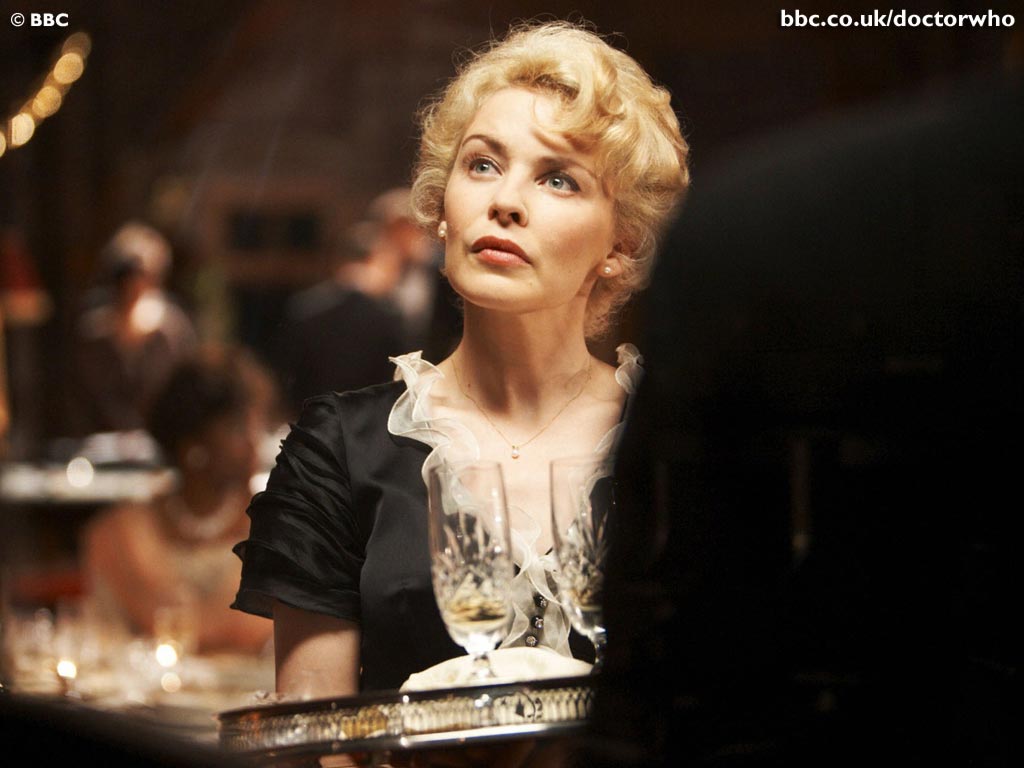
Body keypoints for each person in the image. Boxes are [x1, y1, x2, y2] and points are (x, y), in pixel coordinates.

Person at [232, 20, 689, 697]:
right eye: (482, 165)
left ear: (619, 245)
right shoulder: (341, 450)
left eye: (558, 179)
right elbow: (315, 735)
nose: (504, 202)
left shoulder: (678, 440)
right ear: (442, 211)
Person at [81, 344, 278, 654]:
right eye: (237, 427)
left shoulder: (279, 530)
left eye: (257, 425)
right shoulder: (120, 536)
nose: (254, 441)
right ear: (192, 447)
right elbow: (104, 647)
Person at [70, 220, 197, 436]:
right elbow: (88, 397)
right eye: (126, 277)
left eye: (142, 276)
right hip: (105, 441)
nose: (134, 287)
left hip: (163, 436)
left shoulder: (172, 331)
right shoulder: (95, 333)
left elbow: (184, 390)